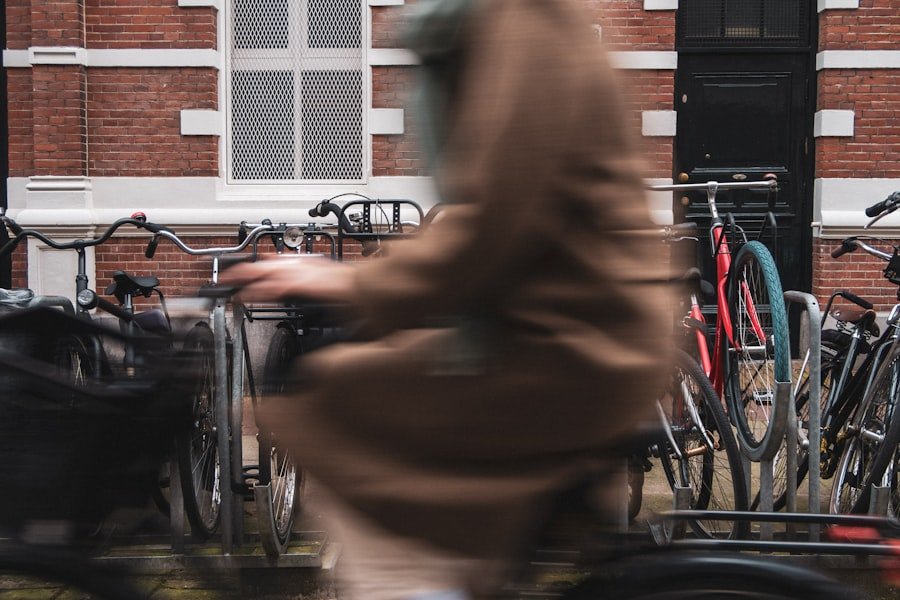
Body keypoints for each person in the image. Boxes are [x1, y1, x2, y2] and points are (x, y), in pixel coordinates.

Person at [222, 0, 672, 598]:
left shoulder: (528, 26)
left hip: (575, 345)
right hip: (563, 327)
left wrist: (353, 283)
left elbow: (501, 218)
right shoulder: (516, 23)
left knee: (338, 396)